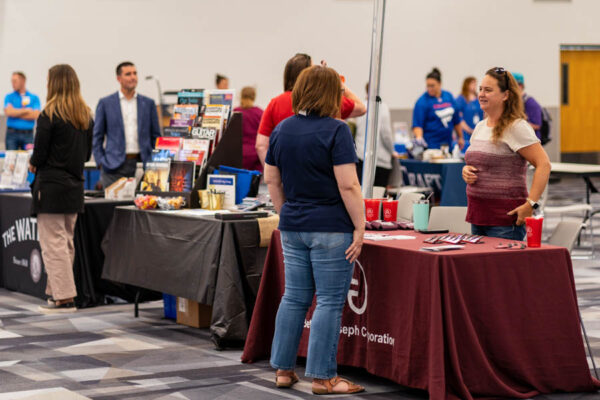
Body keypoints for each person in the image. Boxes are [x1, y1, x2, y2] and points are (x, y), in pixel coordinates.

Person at [265, 65, 365, 395]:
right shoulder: (337, 131)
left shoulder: (281, 130)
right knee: (329, 303)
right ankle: (324, 378)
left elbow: (271, 179)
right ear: (331, 94)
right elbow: (348, 185)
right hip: (331, 228)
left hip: (293, 225)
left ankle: (282, 369)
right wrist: (361, 226)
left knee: (293, 297)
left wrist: (287, 214)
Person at [29, 64, 93, 313]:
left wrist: (34, 164)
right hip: (75, 185)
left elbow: (40, 152)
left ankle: (65, 297)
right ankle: (55, 292)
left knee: (53, 243)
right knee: (65, 241)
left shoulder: (49, 114)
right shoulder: (86, 115)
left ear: (53, 83)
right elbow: (87, 154)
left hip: (51, 187)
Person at [462, 67, 551, 240]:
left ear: (505, 95)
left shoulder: (516, 127)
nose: (481, 94)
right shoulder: (480, 127)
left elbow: (544, 165)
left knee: (499, 268)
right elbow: (478, 163)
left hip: (505, 221)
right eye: (480, 89)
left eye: (488, 90)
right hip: (478, 216)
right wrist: (465, 172)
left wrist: (530, 204)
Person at [255, 53, 367, 166]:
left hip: (288, 175)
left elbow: (261, 145)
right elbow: (361, 108)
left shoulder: (275, 103)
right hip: (321, 172)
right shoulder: (326, 101)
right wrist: (336, 81)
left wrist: (275, 174)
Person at [92, 61, 161, 189]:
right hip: (113, 166)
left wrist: (155, 162)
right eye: (128, 74)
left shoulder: (148, 103)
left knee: (142, 205)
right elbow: (97, 137)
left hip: (143, 165)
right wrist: (101, 162)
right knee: (112, 207)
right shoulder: (106, 103)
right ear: (119, 78)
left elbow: (156, 136)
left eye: (135, 73)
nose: (133, 77)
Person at [412, 67, 464, 150]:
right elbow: (417, 124)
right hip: (431, 146)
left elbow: (456, 120)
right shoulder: (422, 101)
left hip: (448, 145)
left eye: (432, 86)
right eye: (428, 86)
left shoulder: (449, 96)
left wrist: (460, 137)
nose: (429, 89)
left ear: (440, 84)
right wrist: (419, 138)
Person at [354, 82, 394, 186]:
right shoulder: (382, 107)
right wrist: (392, 151)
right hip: (379, 159)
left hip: (360, 156)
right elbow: (386, 134)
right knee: (378, 196)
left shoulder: (360, 107)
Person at [3, 72, 41, 150]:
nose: (13, 84)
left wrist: (15, 112)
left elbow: (35, 115)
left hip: (28, 134)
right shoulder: (9, 97)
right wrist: (26, 110)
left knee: (28, 159)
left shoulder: (34, 98)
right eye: (12, 81)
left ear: (23, 81)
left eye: (15, 81)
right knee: (11, 159)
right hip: (12, 134)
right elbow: (8, 112)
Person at [233, 87, 263, 171]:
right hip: (255, 156)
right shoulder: (260, 113)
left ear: (241, 96)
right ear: (254, 97)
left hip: (237, 155)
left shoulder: (235, 112)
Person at [512, 72, 544, 141]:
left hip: (531, 142)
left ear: (520, 86)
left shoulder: (530, 103)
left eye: (512, 86)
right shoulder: (515, 102)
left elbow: (537, 125)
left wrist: (514, 126)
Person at [455, 76, 483, 152]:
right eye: (472, 84)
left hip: (478, 131)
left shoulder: (479, 98)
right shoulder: (461, 99)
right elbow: (458, 118)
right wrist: (470, 130)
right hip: (466, 133)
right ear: (466, 85)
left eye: (475, 84)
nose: (474, 86)